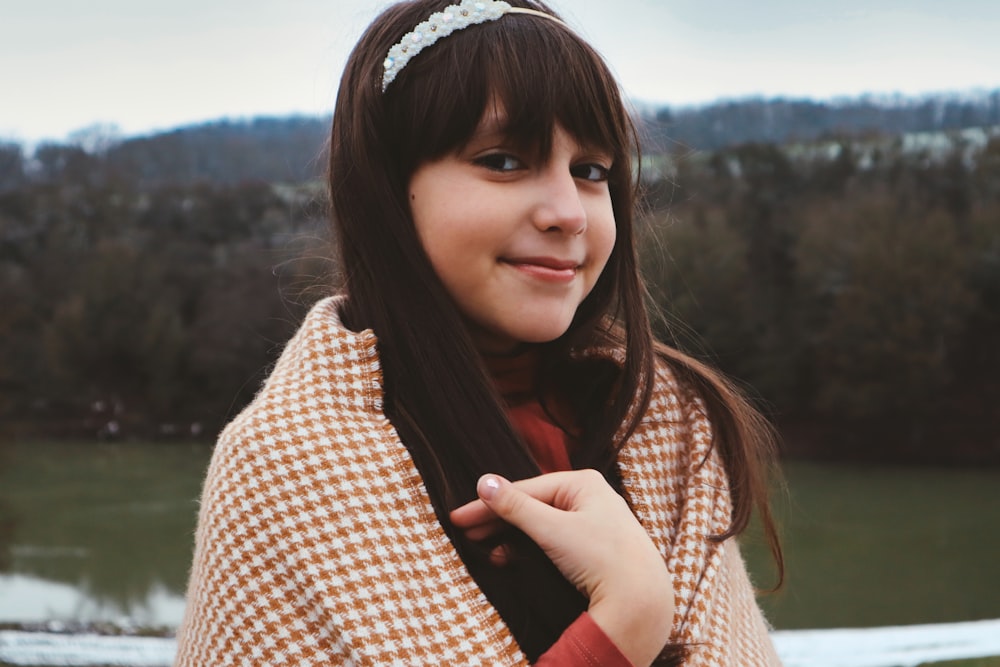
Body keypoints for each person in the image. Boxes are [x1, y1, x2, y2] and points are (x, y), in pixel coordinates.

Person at [175, 1, 784, 665]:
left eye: (591, 170)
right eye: (503, 161)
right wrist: (625, 622)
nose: (567, 213)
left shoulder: (666, 426)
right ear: (388, 189)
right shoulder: (286, 470)